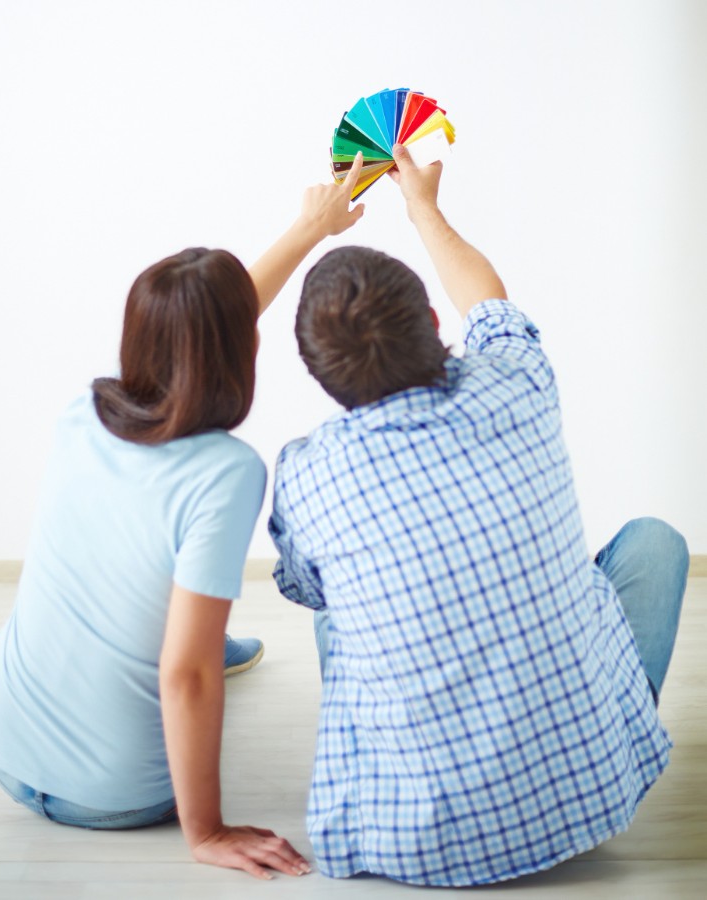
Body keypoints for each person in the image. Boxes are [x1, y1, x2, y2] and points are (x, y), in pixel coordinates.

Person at [268, 143, 689, 886]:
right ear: (434, 320)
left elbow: (307, 590)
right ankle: (585, 738)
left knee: (336, 609)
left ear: (319, 374)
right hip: (590, 799)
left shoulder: (307, 473)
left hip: (411, 844)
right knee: (656, 544)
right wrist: (423, 208)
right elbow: (490, 301)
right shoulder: (515, 378)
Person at [0, 153, 366, 880]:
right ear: (245, 350)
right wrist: (206, 831)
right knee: (196, 649)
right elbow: (185, 674)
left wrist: (309, 228)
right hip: (114, 795)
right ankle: (207, 663)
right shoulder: (227, 471)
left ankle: (205, 645)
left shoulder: (84, 411)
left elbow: (206, 325)